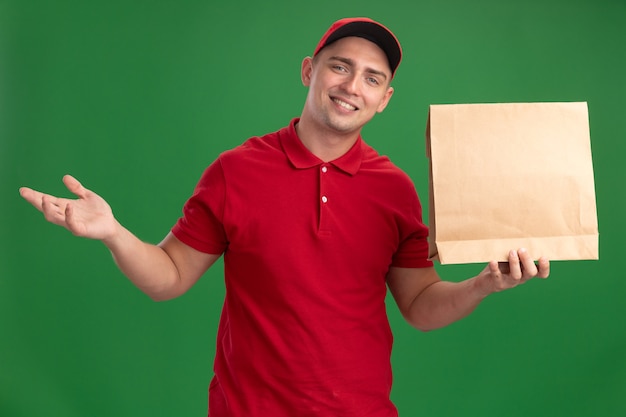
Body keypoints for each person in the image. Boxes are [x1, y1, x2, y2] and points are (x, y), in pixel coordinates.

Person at [20, 17, 550, 417]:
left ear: (384, 99)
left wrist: (481, 285)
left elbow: (418, 304)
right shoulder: (236, 171)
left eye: (372, 78)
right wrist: (112, 232)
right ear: (309, 71)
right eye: (340, 66)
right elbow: (170, 277)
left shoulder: (395, 189)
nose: (351, 86)